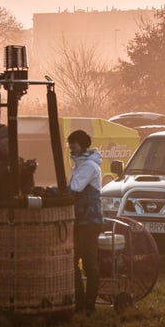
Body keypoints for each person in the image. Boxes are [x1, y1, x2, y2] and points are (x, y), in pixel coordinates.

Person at [67, 129, 103, 314]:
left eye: (73, 143)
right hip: (82, 220)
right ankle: (81, 303)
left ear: (82, 144)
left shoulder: (88, 166)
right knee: (75, 261)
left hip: (89, 221)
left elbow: (75, 187)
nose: (71, 146)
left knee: (88, 262)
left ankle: (88, 304)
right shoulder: (80, 166)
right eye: (70, 143)